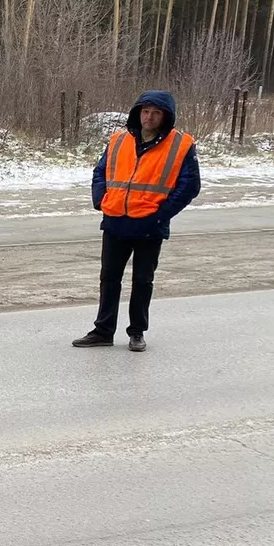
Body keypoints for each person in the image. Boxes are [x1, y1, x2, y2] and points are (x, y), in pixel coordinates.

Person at [73, 90, 201, 352]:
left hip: (149, 226)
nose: (149, 117)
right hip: (116, 221)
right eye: (145, 111)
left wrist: (159, 215)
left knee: (142, 281)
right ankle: (103, 330)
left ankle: (137, 332)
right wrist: (101, 200)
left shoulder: (181, 145)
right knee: (109, 278)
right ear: (137, 113)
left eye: (155, 112)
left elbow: (189, 186)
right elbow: (100, 172)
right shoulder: (119, 140)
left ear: (165, 116)